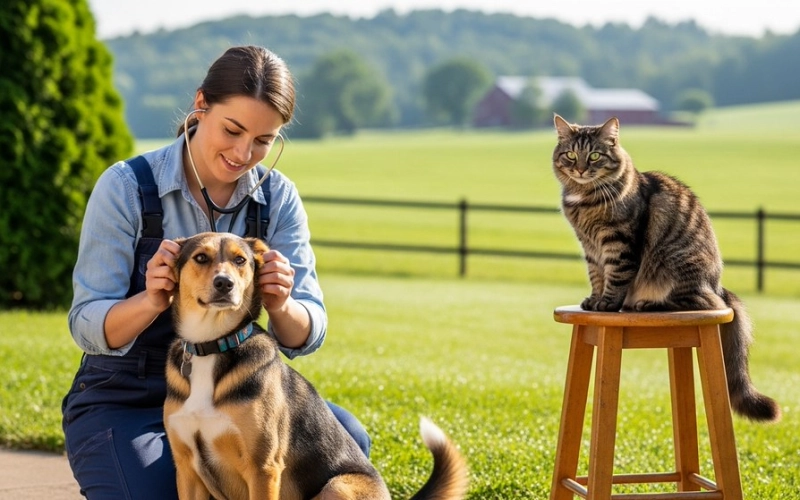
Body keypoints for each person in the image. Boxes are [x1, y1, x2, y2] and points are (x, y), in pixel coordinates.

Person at [61, 45, 370, 499]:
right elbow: (85, 323)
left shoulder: (278, 199)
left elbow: (310, 330)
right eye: (233, 129)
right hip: (126, 391)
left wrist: (282, 304)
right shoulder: (127, 188)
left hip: (237, 380)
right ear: (201, 105)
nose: (245, 152)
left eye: (264, 140)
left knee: (348, 441)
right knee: (154, 492)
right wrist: (151, 299)